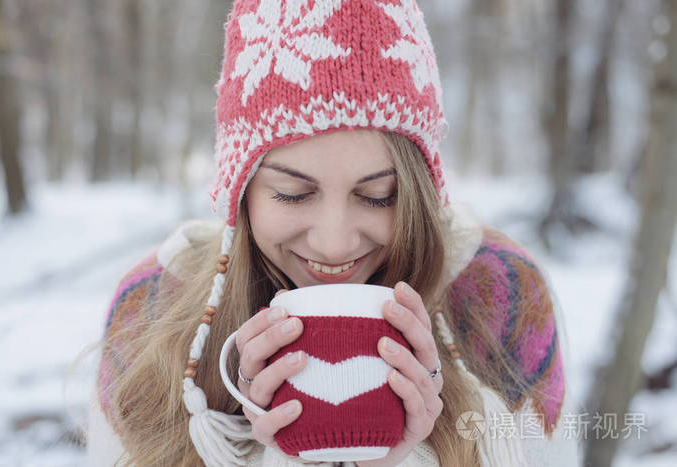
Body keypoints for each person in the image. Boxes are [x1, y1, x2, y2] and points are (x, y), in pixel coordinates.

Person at [86, 0, 580, 466]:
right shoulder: (150, 306)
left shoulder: (500, 294)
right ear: (241, 192)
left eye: (379, 196)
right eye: (293, 194)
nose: (335, 243)